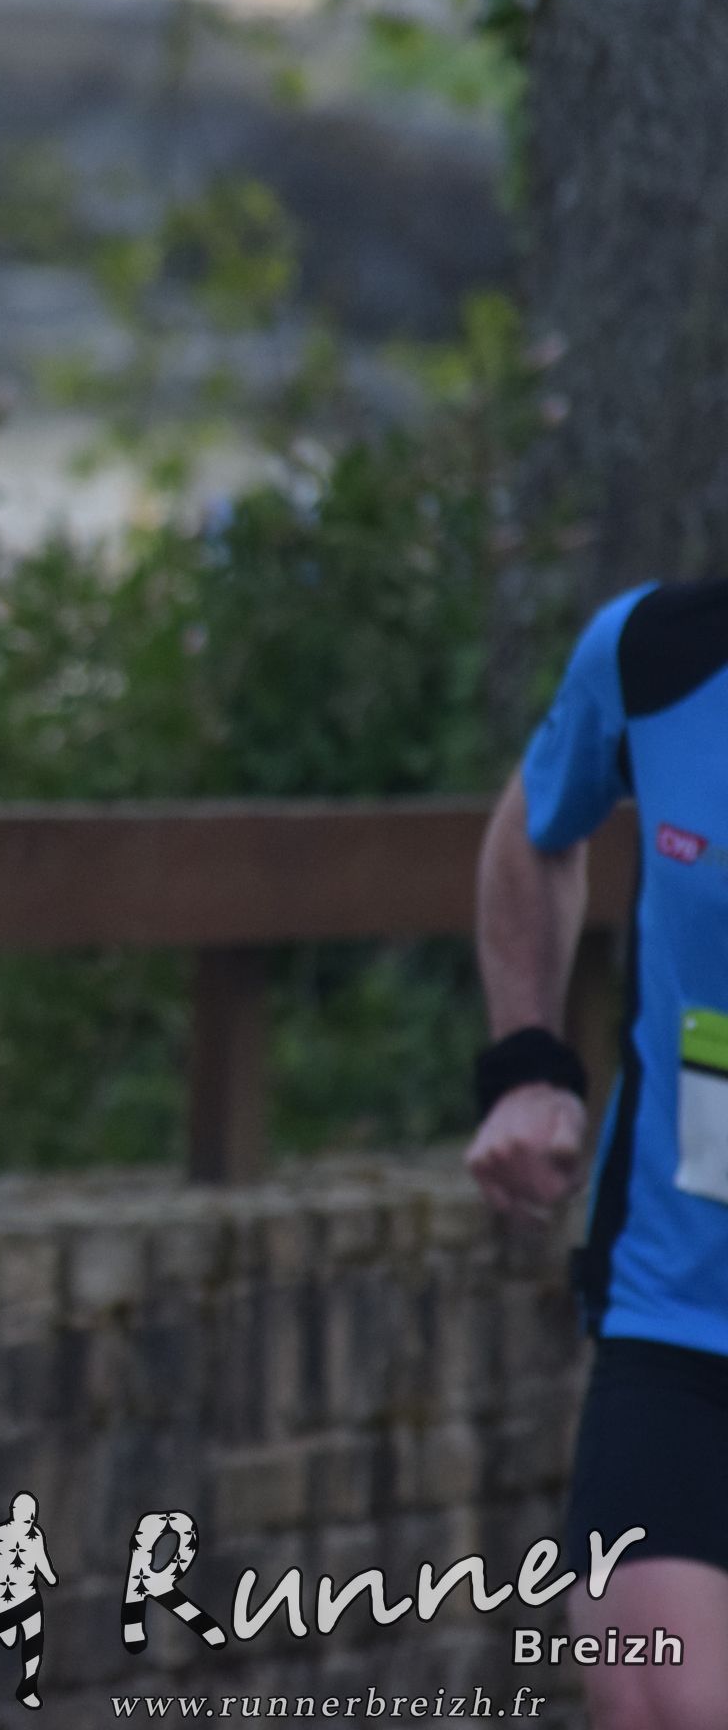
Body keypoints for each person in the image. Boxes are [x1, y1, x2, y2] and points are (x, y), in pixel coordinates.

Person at [466, 576, 728, 1730]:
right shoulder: (657, 652)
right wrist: (527, 1063)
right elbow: (535, 826)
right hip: (679, 1308)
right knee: (657, 1698)